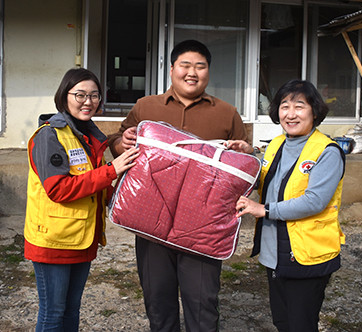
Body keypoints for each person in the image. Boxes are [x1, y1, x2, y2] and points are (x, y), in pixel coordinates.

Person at [108, 39, 253, 332]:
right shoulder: (146, 106)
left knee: (202, 307)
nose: (192, 72)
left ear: (208, 71)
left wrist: (244, 150)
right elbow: (119, 141)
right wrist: (121, 143)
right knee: (158, 303)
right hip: (150, 223)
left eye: (200, 66)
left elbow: (243, 165)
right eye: (185, 65)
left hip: (203, 230)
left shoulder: (227, 113)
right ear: (172, 68)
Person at [24, 68, 139, 331]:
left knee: (71, 311)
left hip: (81, 238)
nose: (88, 102)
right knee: (53, 314)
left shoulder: (89, 135)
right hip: (54, 240)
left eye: (94, 95)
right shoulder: (49, 136)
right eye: (80, 95)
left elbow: (95, 185)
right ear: (64, 96)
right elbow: (59, 189)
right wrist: (111, 171)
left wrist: (126, 196)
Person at [235, 79, 346, 332]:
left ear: (314, 111)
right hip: (276, 252)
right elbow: (265, 179)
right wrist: (247, 155)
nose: (290, 114)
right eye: (284, 106)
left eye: (299, 106)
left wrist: (264, 210)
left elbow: (314, 201)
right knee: (282, 321)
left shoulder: (327, 151)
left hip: (307, 254)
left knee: (301, 324)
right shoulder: (276, 144)